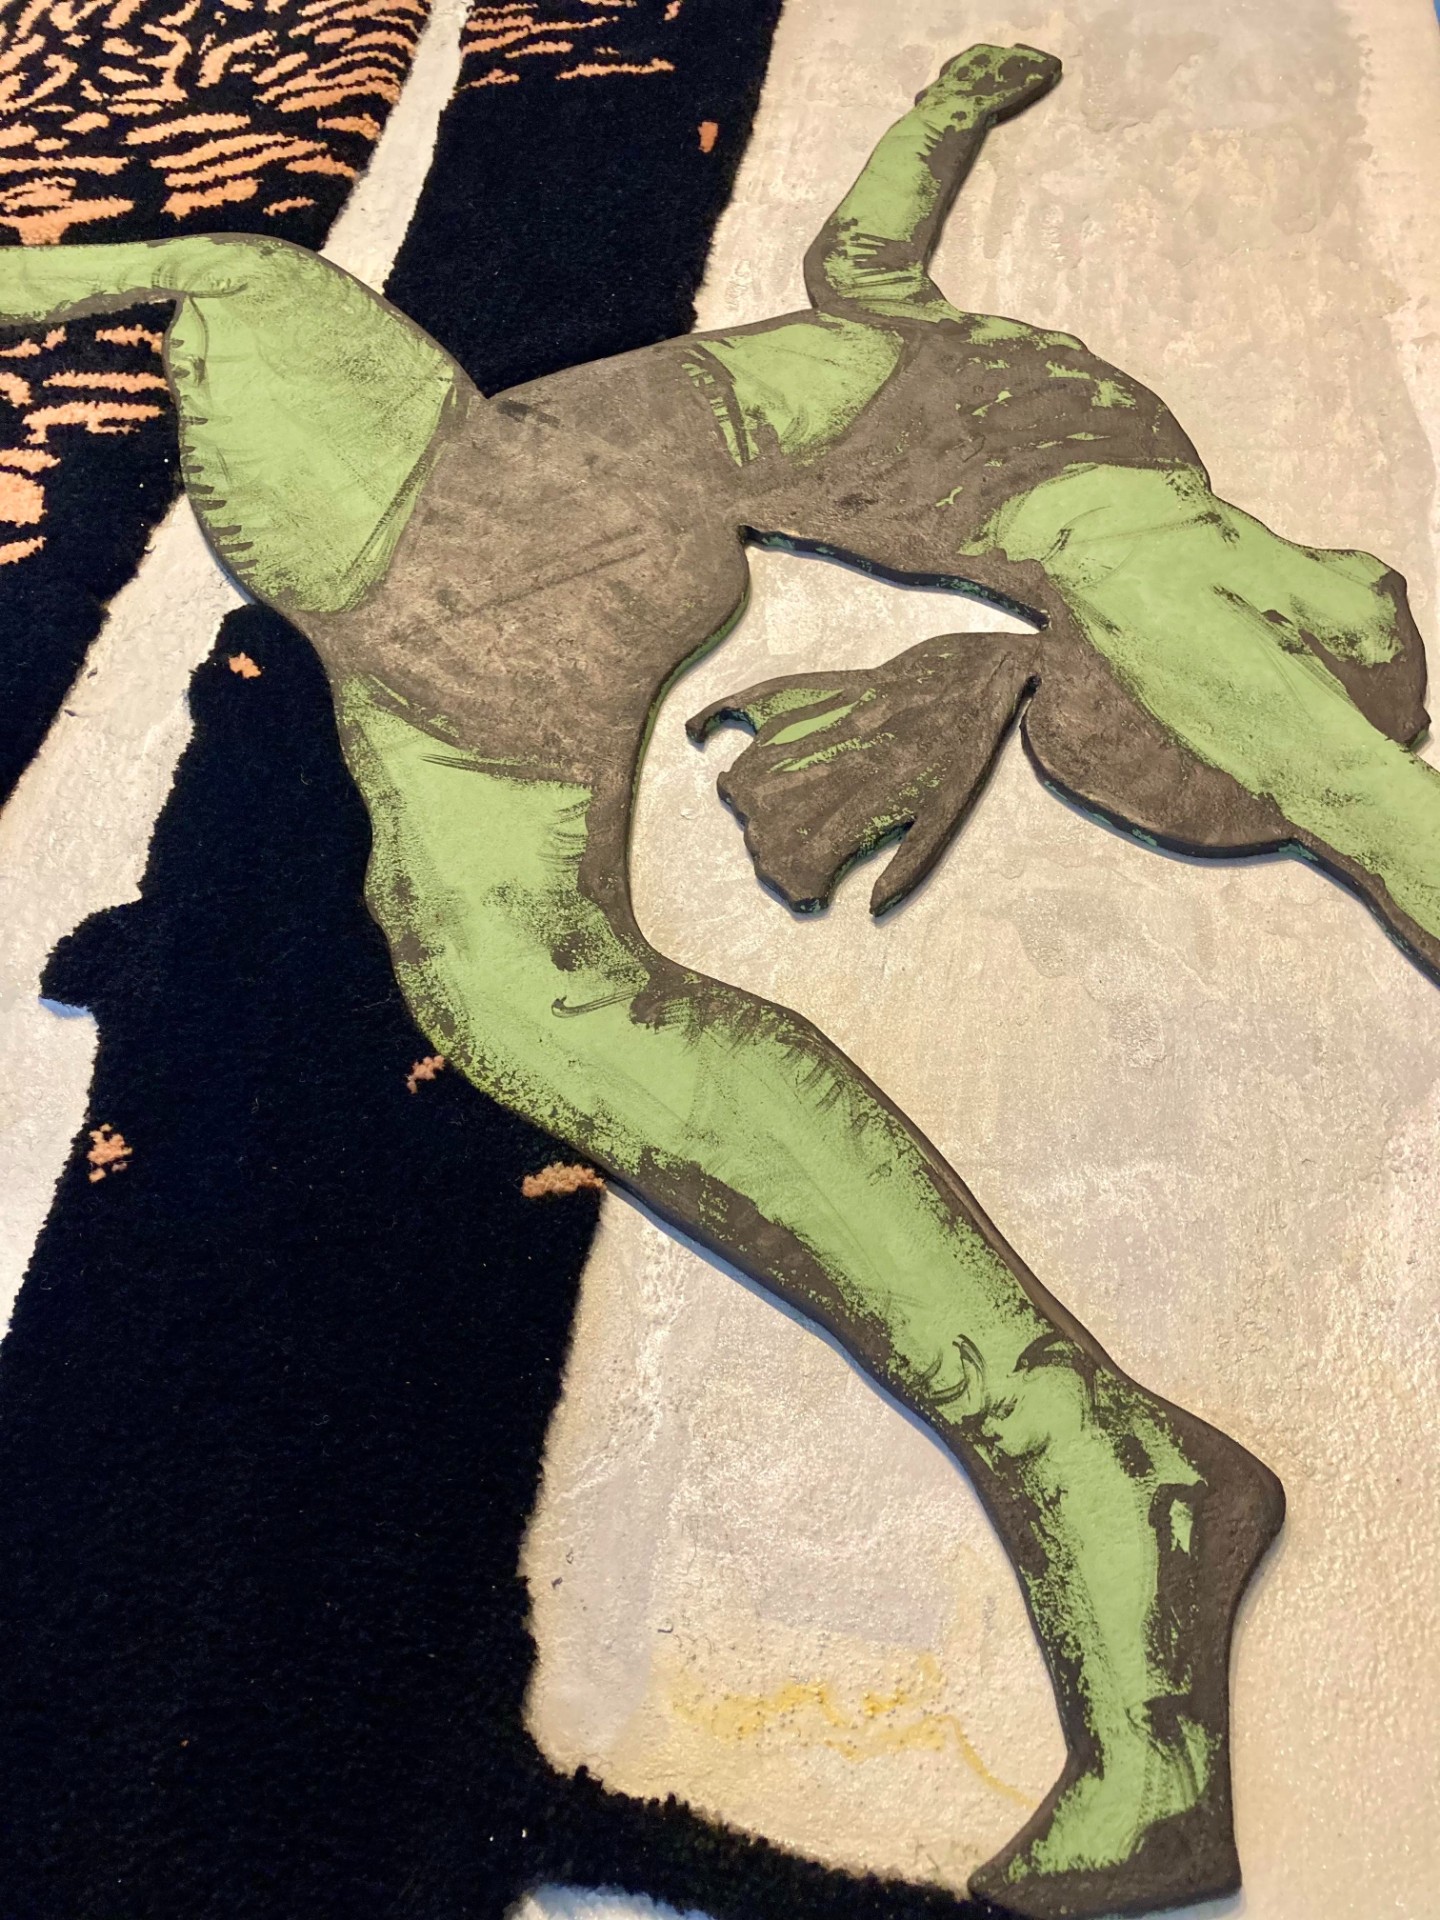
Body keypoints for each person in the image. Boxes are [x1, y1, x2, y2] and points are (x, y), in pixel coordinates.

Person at [5, 42, 1429, 1917]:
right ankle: (1106, 1467)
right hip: (511, 568)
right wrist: (950, 115)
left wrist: (1362, 787)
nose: (1386, 596)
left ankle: (1096, 1473)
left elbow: (1346, 787)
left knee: (234, 279)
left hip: (497, 526)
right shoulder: (1083, 460)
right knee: (515, 992)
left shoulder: (1140, 538)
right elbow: (872, 261)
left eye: (1367, 633)